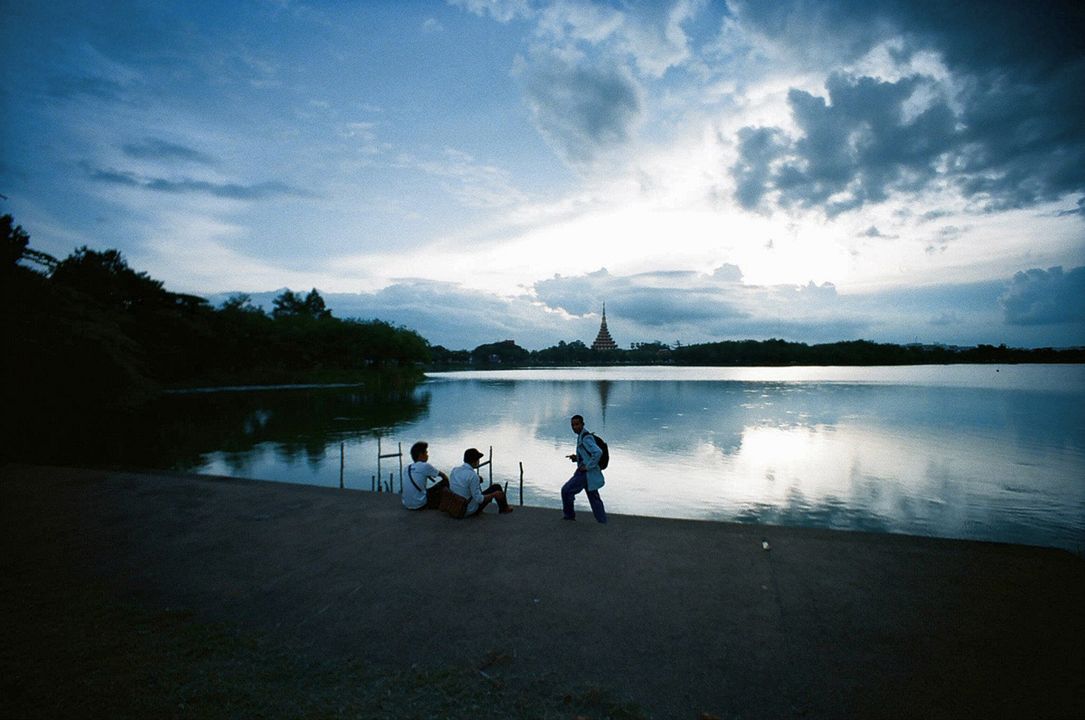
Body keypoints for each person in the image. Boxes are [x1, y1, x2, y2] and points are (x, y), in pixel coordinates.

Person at [561, 414, 607, 523]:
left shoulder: (586, 438)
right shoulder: (582, 436)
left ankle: (569, 516)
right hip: (589, 472)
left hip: (585, 473)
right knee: (594, 497)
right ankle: (603, 521)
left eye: (577, 424)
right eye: (572, 425)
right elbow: (588, 455)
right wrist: (577, 458)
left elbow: (597, 452)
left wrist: (587, 467)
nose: (574, 427)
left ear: (582, 424)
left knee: (566, 490)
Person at [448, 447, 513, 516]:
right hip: (467, 509)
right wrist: (494, 494)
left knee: (481, 491)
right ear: (474, 461)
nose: (479, 461)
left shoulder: (455, 470)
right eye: (478, 459)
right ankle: (504, 509)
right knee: (496, 487)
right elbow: (479, 499)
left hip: (455, 505)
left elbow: (463, 483)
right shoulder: (473, 476)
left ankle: (504, 508)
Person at [402, 441, 449, 510]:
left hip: (406, 504)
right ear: (421, 455)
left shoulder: (407, 468)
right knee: (444, 482)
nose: (428, 455)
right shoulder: (425, 466)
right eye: (426, 453)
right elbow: (443, 475)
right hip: (419, 505)